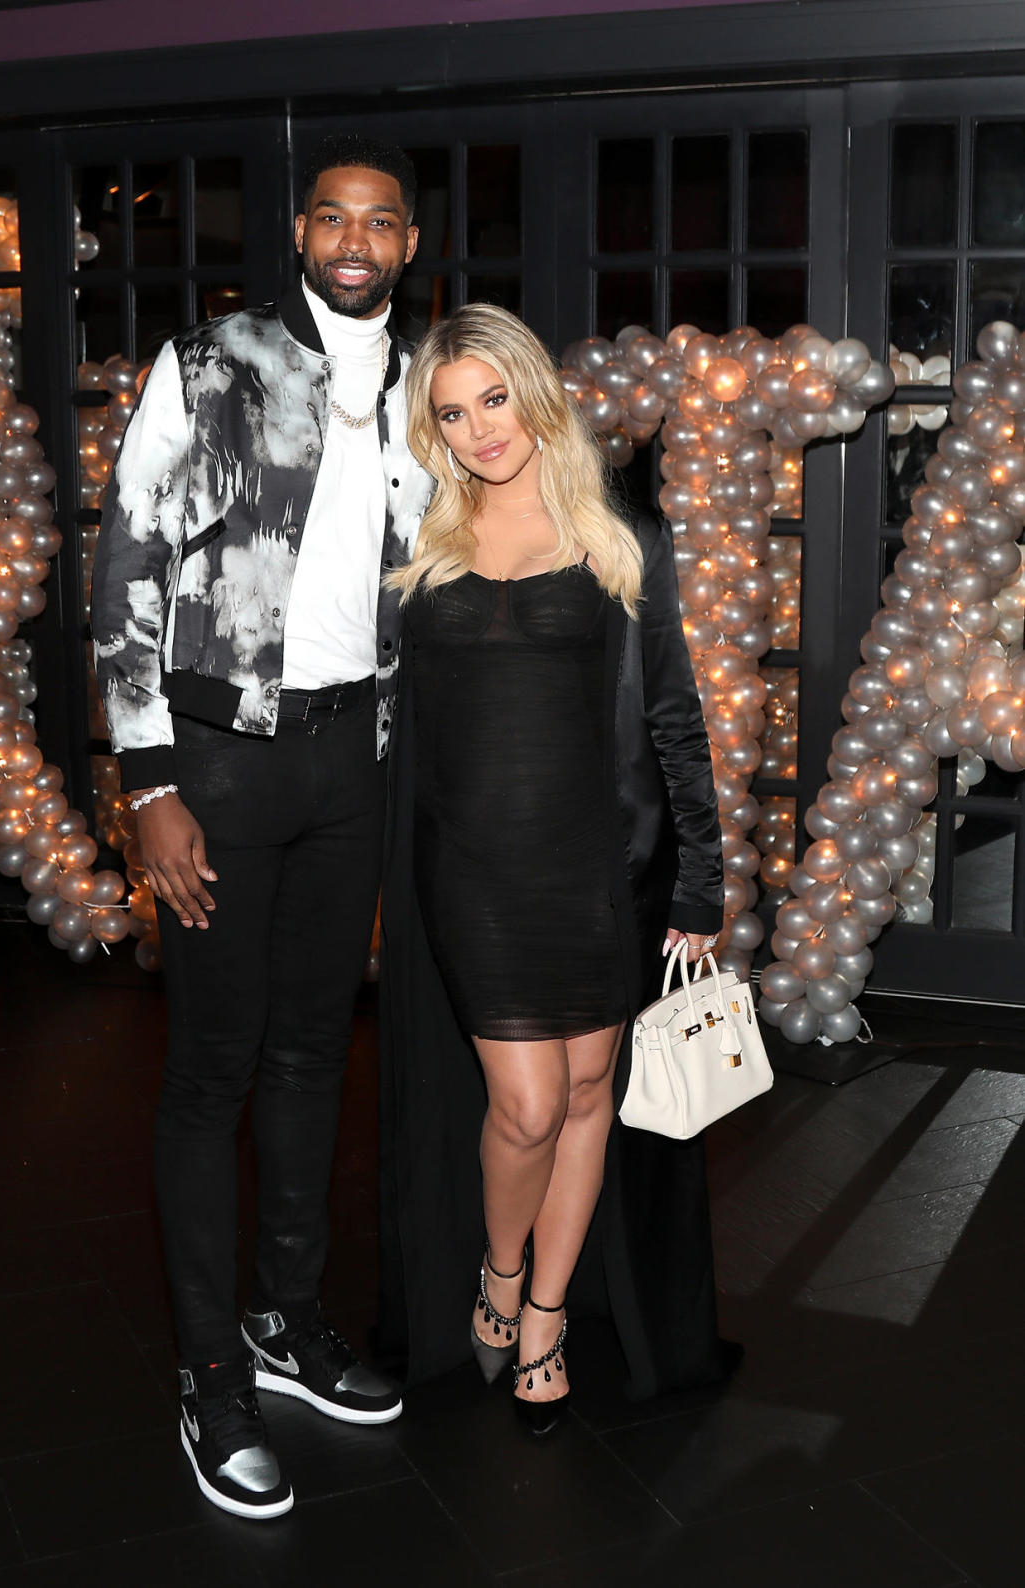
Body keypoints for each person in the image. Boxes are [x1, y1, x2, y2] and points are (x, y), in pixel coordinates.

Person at [90, 134, 434, 1519]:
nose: (354, 239)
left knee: (308, 1056)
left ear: (407, 245)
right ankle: (207, 1373)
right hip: (217, 766)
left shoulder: (424, 383)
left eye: (381, 221)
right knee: (210, 1072)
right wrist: (150, 783)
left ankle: (285, 1323)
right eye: (331, 217)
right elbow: (123, 562)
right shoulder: (211, 362)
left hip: (352, 759)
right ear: (300, 233)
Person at [378, 304, 728, 1432]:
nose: (480, 429)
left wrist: (701, 880)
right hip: (475, 870)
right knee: (524, 1106)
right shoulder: (420, 549)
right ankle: (494, 1268)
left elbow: (675, 717)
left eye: (493, 398)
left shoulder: (620, 537)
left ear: (533, 391)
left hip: (599, 867)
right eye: (452, 412)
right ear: (431, 432)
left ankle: (543, 1313)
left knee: (589, 1095)